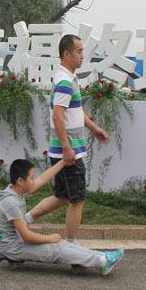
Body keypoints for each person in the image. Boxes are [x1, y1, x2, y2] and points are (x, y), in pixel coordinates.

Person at [27, 34, 109, 240]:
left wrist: (95, 129)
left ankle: (23, 219)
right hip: (69, 152)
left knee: (62, 196)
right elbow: (57, 116)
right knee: (77, 200)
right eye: (79, 51)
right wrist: (67, 149)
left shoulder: (68, 79)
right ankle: (71, 247)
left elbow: (76, 111)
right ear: (66, 54)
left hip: (65, 150)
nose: (82, 56)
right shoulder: (64, 81)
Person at [0, 158, 123, 275]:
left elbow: (44, 178)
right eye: (32, 178)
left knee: (61, 243)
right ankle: (102, 261)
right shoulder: (11, 202)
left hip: (17, 241)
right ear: (20, 181)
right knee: (56, 249)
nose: (34, 181)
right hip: (14, 248)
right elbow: (26, 236)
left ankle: (103, 257)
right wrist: (49, 238)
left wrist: (63, 162)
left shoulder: (16, 189)